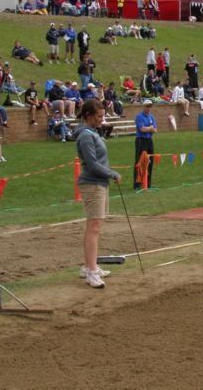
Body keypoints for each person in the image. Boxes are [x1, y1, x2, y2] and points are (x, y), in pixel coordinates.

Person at [74, 99, 122, 289]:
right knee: (94, 227)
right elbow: (92, 164)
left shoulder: (93, 132)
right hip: (92, 184)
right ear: (88, 116)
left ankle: (90, 266)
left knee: (94, 226)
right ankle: (91, 271)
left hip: (99, 184)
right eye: (99, 116)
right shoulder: (86, 136)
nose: (102, 120)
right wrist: (113, 174)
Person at [134, 100, 157, 190]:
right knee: (139, 162)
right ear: (143, 107)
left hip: (149, 140)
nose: (148, 108)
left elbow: (155, 130)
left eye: (150, 106)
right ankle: (137, 184)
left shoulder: (152, 117)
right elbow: (142, 129)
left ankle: (148, 183)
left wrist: (150, 129)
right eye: (147, 106)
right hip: (141, 140)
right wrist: (150, 128)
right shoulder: (139, 116)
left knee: (150, 161)